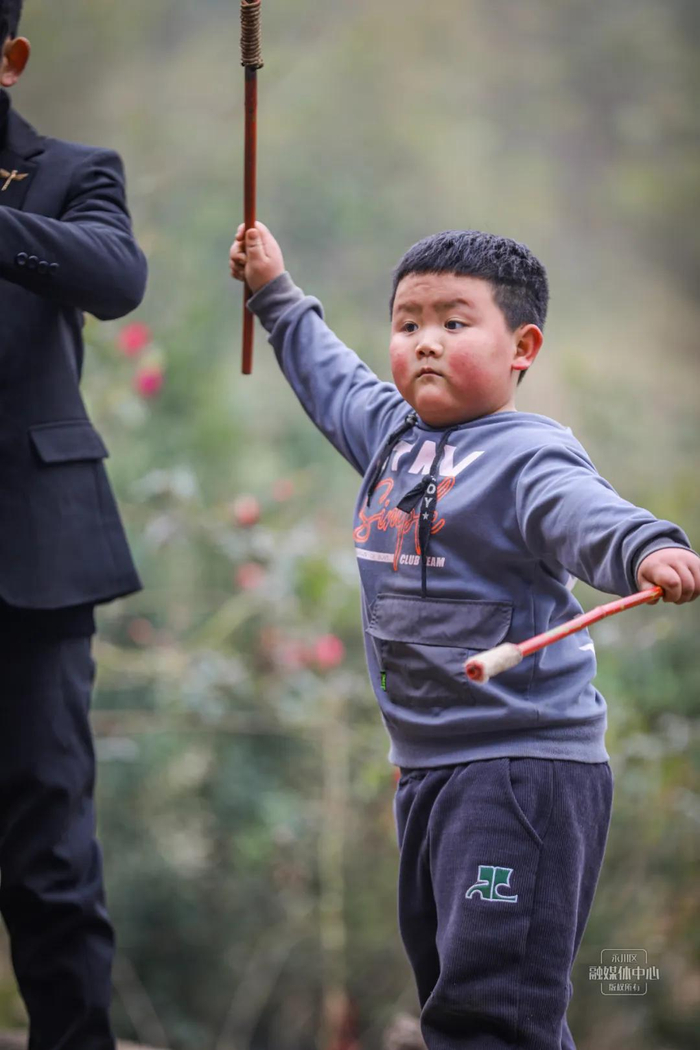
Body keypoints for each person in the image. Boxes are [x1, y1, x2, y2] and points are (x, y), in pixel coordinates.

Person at [230, 219, 700, 1048]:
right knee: (463, 997)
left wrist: (647, 547)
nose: (425, 343)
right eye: (408, 323)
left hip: (523, 774)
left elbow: (588, 518)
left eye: (454, 321)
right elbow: (332, 377)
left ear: (522, 346)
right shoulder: (392, 437)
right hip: (429, 774)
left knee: (489, 1017)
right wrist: (274, 293)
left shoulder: (529, 456)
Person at [0, 2, 147, 1047]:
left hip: (33, 560)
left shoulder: (71, 170)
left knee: (49, 856)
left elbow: (115, 278)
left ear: (9, 59)